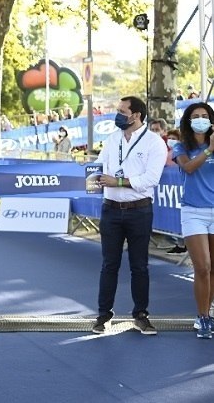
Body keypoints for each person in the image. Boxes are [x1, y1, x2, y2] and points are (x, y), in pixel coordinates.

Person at [91, 96, 167, 335]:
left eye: (122, 111)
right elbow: (99, 167)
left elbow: (150, 180)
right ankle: (104, 315)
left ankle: (141, 315)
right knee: (108, 265)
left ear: (136, 115)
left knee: (139, 266)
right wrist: (90, 177)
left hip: (139, 211)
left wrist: (118, 181)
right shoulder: (112, 140)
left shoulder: (154, 143)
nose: (117, 115)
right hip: (110, 209)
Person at [172, 102, 214, 338]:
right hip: (193, 212)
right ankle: (203, 317)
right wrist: (209, 151)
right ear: (188, 121)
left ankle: (207, 313)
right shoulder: (181, 146)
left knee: (213, 269)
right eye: (196, 116)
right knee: (203, 267)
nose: (200, 119)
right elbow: (188, 168)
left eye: (204, 116)